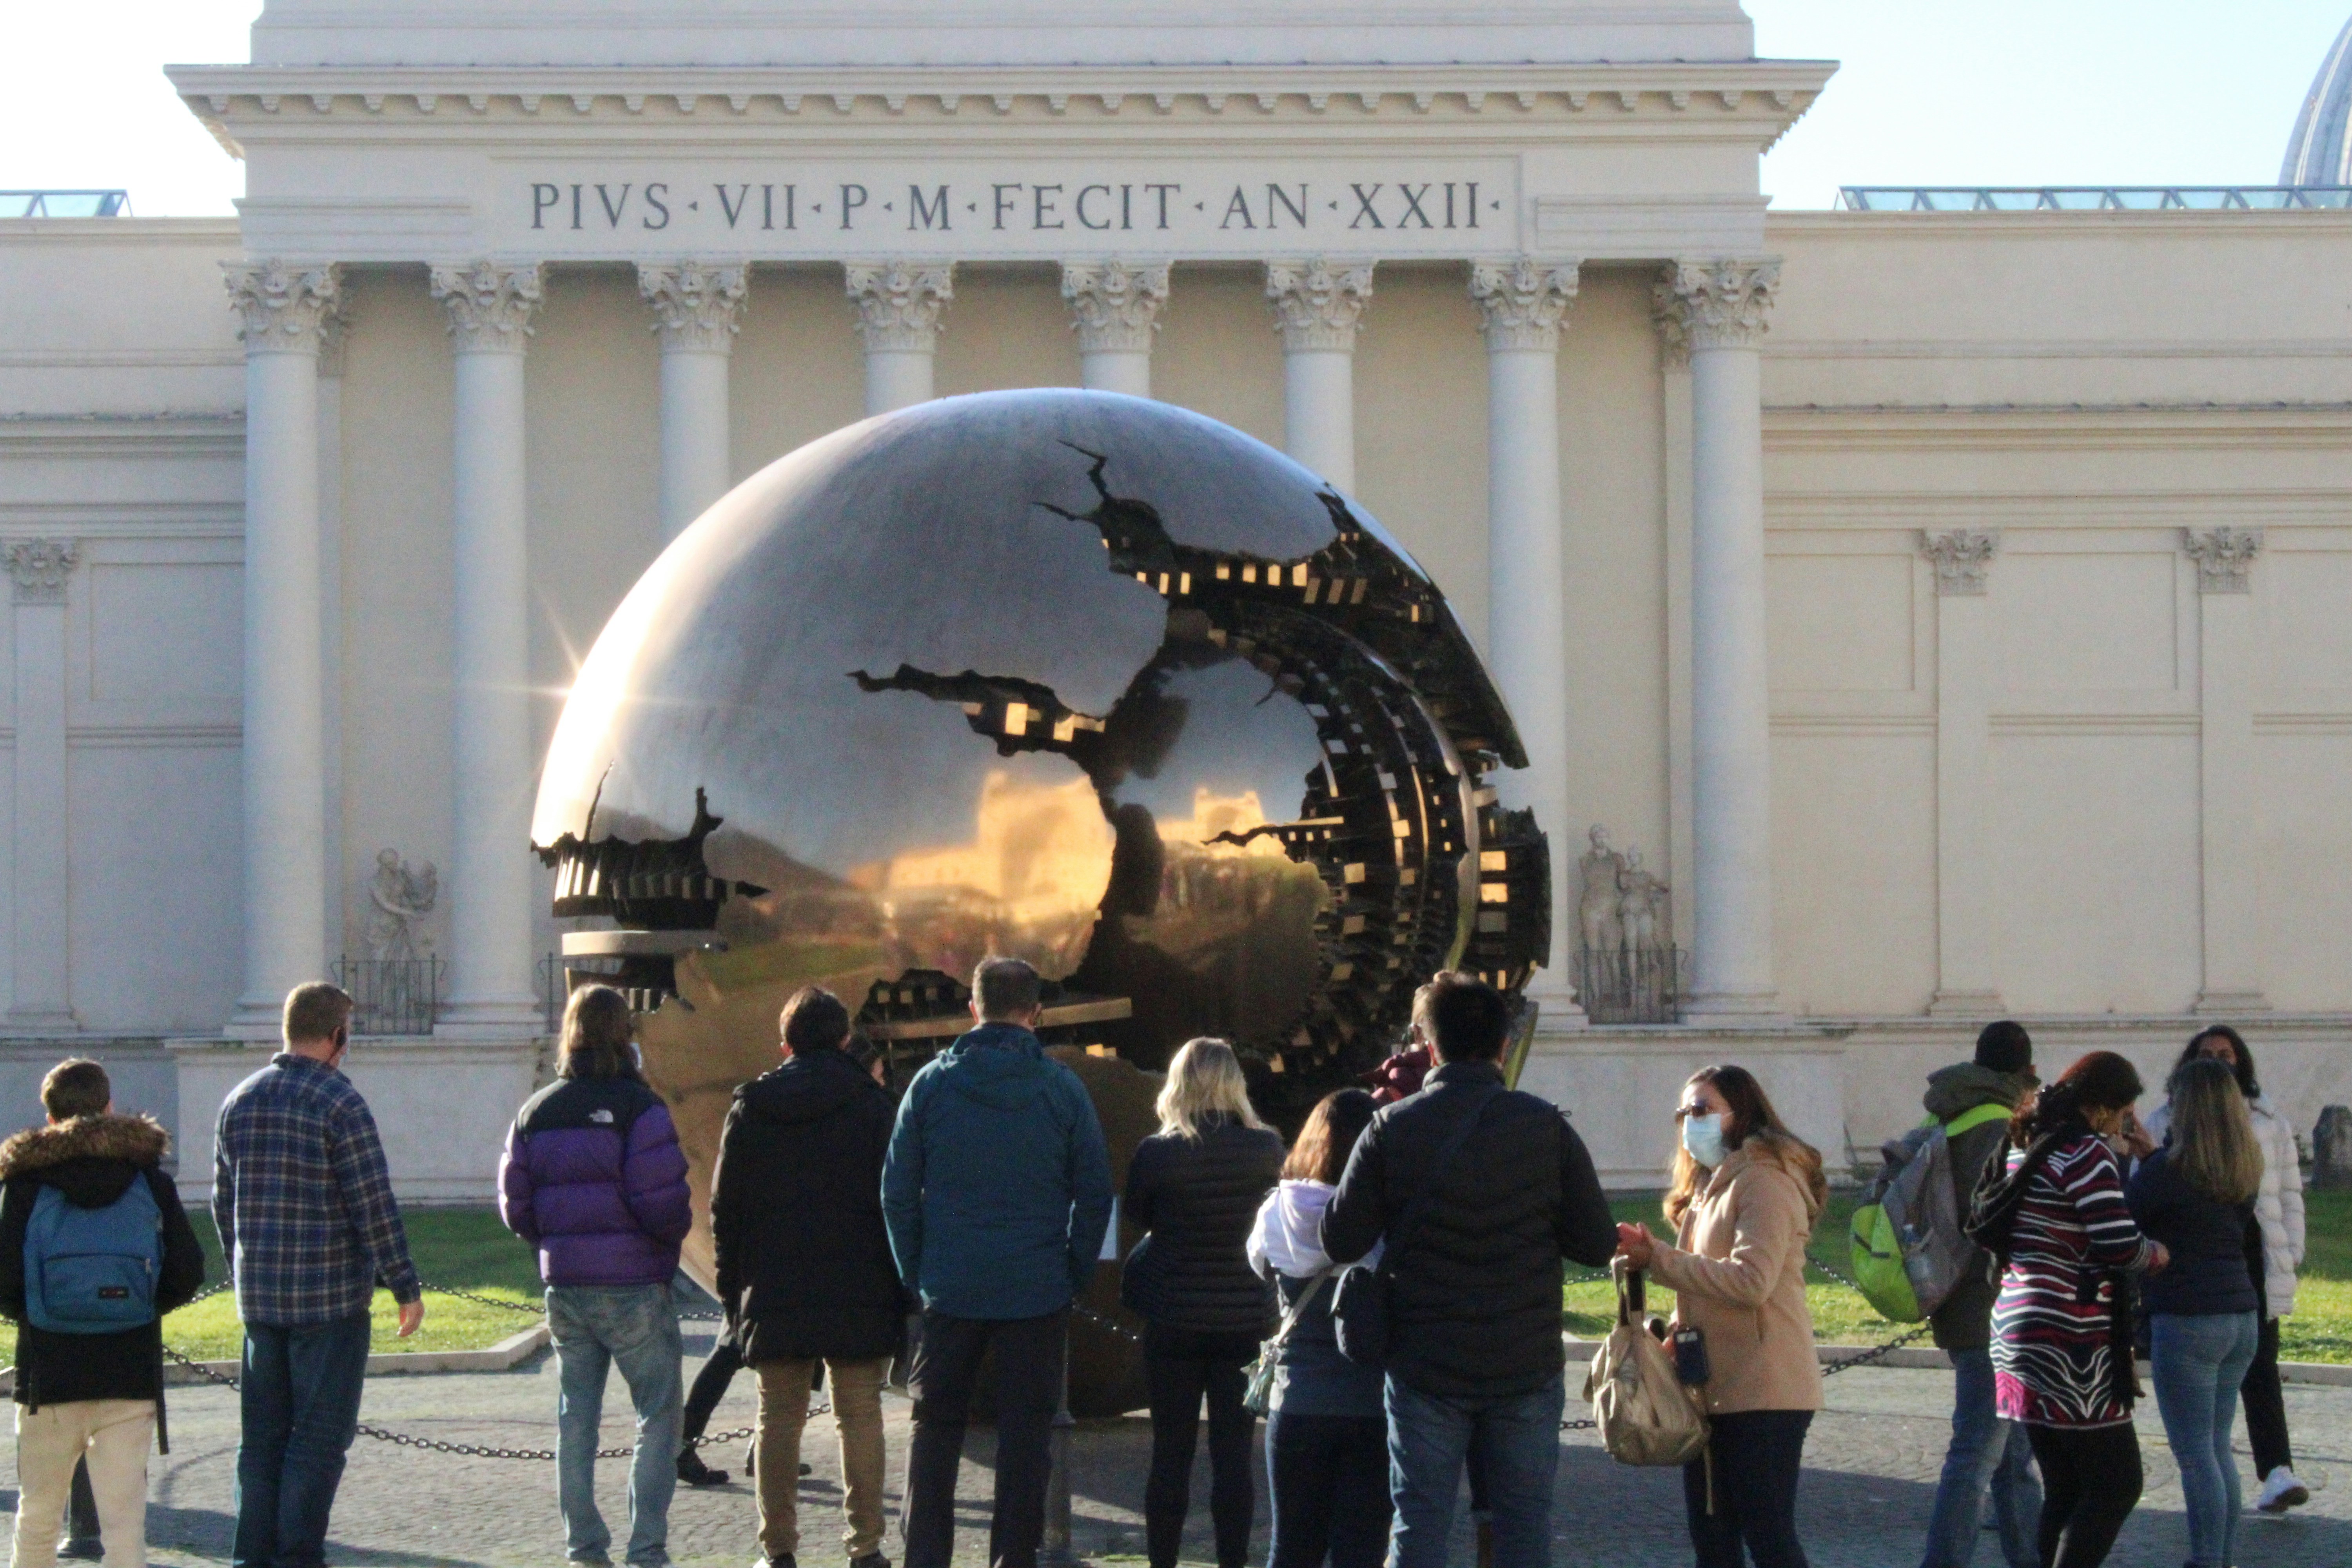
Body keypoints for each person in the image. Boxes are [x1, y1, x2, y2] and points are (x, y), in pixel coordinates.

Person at [1322, 975, 1616, 1568]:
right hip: (1523, 1355)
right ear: (1504, 1046)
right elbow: (1595, 1241)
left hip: (1425, 1355)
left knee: (1420, 1525)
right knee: (1524, 1525)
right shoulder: (1545, 1126)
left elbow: (1341, 1237)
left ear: (1431, 1048)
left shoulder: (1391, 1128)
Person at [883, 957, 1114, 1568]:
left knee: (934, 1434)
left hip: (950, 1285)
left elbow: (897, 1193)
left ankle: (925, 1558)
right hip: (1036, 1288)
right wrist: (1074, 1271)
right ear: (1035, 1014)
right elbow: (1094, 1192)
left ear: (973, 1009)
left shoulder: (930, 1085)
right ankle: (1013, 1558)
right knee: (1026, 1443)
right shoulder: (1062, 1089)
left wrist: (917, 1270)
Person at [215, 982, 423, 1568]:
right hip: (329, 1300)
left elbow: (221, 1201)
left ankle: (251, 1557)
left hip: (261, 1300)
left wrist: (244, 1265)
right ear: (338, 1036)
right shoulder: (339, 1102)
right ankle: (297, 1555)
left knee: (261, 1443)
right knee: (319, 1440)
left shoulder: (241, 1099)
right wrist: (404, 1285)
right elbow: (372, 1204)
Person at [499, 985, 693, 1568]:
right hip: (635, 1282)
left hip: (568, 1284)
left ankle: (584, 1547)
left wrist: (553, 1241)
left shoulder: (536, 1110)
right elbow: (663, 1202)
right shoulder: (642, 1108)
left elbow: (516, 1205)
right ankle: (646, 1548)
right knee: (658, 1415)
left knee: (576, 1420)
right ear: (624, 1034)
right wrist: (664, 1240)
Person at [712, 986, 904, 1568]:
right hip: (859, 1278)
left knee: (777, 1416)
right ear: (845, 1040)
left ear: (785, 1043)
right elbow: (898, 1201)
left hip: (776, 1280)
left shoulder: (752, 1107)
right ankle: (866, 1546)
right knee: (860, 1414)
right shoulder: (874, 1106)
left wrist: (731, 1292)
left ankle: (778, 1551)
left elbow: (726, 1210)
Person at [1616, 1065, 1828, 1568]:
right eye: (1684, 1113)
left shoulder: (1766, 1179)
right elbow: (1707, 1280)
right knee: (1713, 1540)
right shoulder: (1714, 1185)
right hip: (1710, 1388)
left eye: (1701, 1110)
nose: (1690, 1123)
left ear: (1741, 1113)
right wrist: (1673, 1331)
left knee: (1769, 1536)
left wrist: (1660, 1260)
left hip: (1765, 1389)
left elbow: (1752, 1280)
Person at [0, 1058, 206, 1568]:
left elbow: (3, 1277)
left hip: (48, 1372)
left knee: (38, 1518)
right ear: (109, 1107)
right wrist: (141, 1306)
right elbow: (187, 1269)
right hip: (128, 1369)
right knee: (125, 1527)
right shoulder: (149, 1179)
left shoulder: (26, 1183)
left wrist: (37, 1311)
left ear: (49, 1117)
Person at [1980, 1051, 2165, 1568]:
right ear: (2104, 1107)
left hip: (2017, 1325)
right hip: (2071, 1339)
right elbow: (2116, 1243)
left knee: (2064, 1485)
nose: (2127, 1122)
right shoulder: (2085, 1154)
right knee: (2117, 1484)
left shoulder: (2025, 1144)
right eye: (2126, 1111)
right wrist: (2155, 1253)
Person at [1122, 1038, 1286, 1568]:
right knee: (1234, 1459)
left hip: (1173, 1318)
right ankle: (1233, 1562)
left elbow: (1140, 1218)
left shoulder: (1157, 1153)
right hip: (1244, 1321)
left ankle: (1163, 1562)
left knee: (1170, 1455)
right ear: (1234, 1084)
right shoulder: (1267, 1149)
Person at [2143, 1024, 2310, 1514]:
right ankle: (2218, 1487)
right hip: (2194, 1260)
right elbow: (2146, 1191)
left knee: (2262, 1366)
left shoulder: (2267, 1119)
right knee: (2208, 1393)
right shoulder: (2166, 1119)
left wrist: (2291, 1252)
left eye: (2228, 1054)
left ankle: (2276, 1469)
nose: (2220, 1061)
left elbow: (2289, 1192)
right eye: (2209, 1054)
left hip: (2256, 1253)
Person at [1915, 1022, 2043, 1568]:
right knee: (1975, 1455)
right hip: (1996, 1308)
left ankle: (2033, 1558)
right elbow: (2008, 1222)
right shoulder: (1998, 1127)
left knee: (2014, 1460)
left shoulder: (1949, 1113)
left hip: (1961, 1299)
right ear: (2024, 1073)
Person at [1247, 1088, 1391, 1568]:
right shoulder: (1387, 1219)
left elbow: (1258, 1266)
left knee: (1290, 1548)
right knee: (1362, 1551)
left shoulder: (1276, 1213)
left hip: (1299, 1400)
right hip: (1371, 1405)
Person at [2128, 1058, 2263, 1568]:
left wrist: (2136, 1159)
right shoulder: (2243, 1169)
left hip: (2187, 1316)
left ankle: (2206, 1561)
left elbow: (2124, 1219)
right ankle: (2221, 1558)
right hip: (2239, 1314)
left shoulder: (2166, 1171)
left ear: (2187, 1106)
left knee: (2194, 1454)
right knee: (2218, 1447)